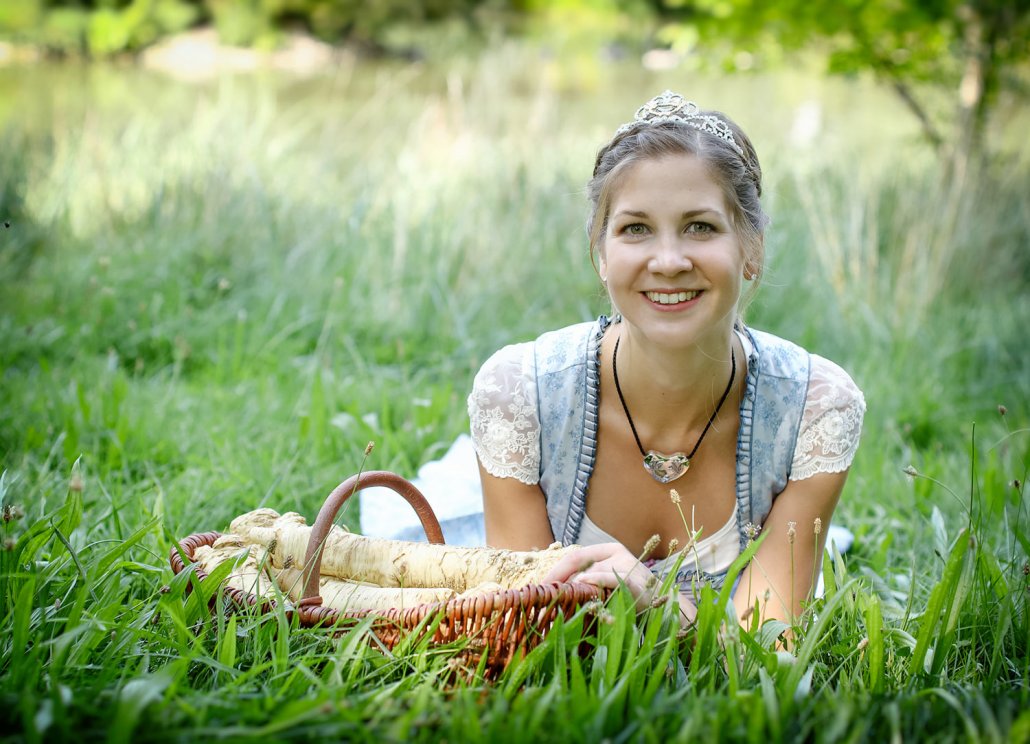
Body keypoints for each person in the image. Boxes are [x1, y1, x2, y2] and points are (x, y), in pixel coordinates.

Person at [466, 91, 865, 627]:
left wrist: (652, 602)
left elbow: (766, 646)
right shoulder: (520, 398)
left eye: (700, 226)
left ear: (751, 249)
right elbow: (521, 626)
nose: (670, 261)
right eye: (635, 229)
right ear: (601, 255)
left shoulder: (814, 409)